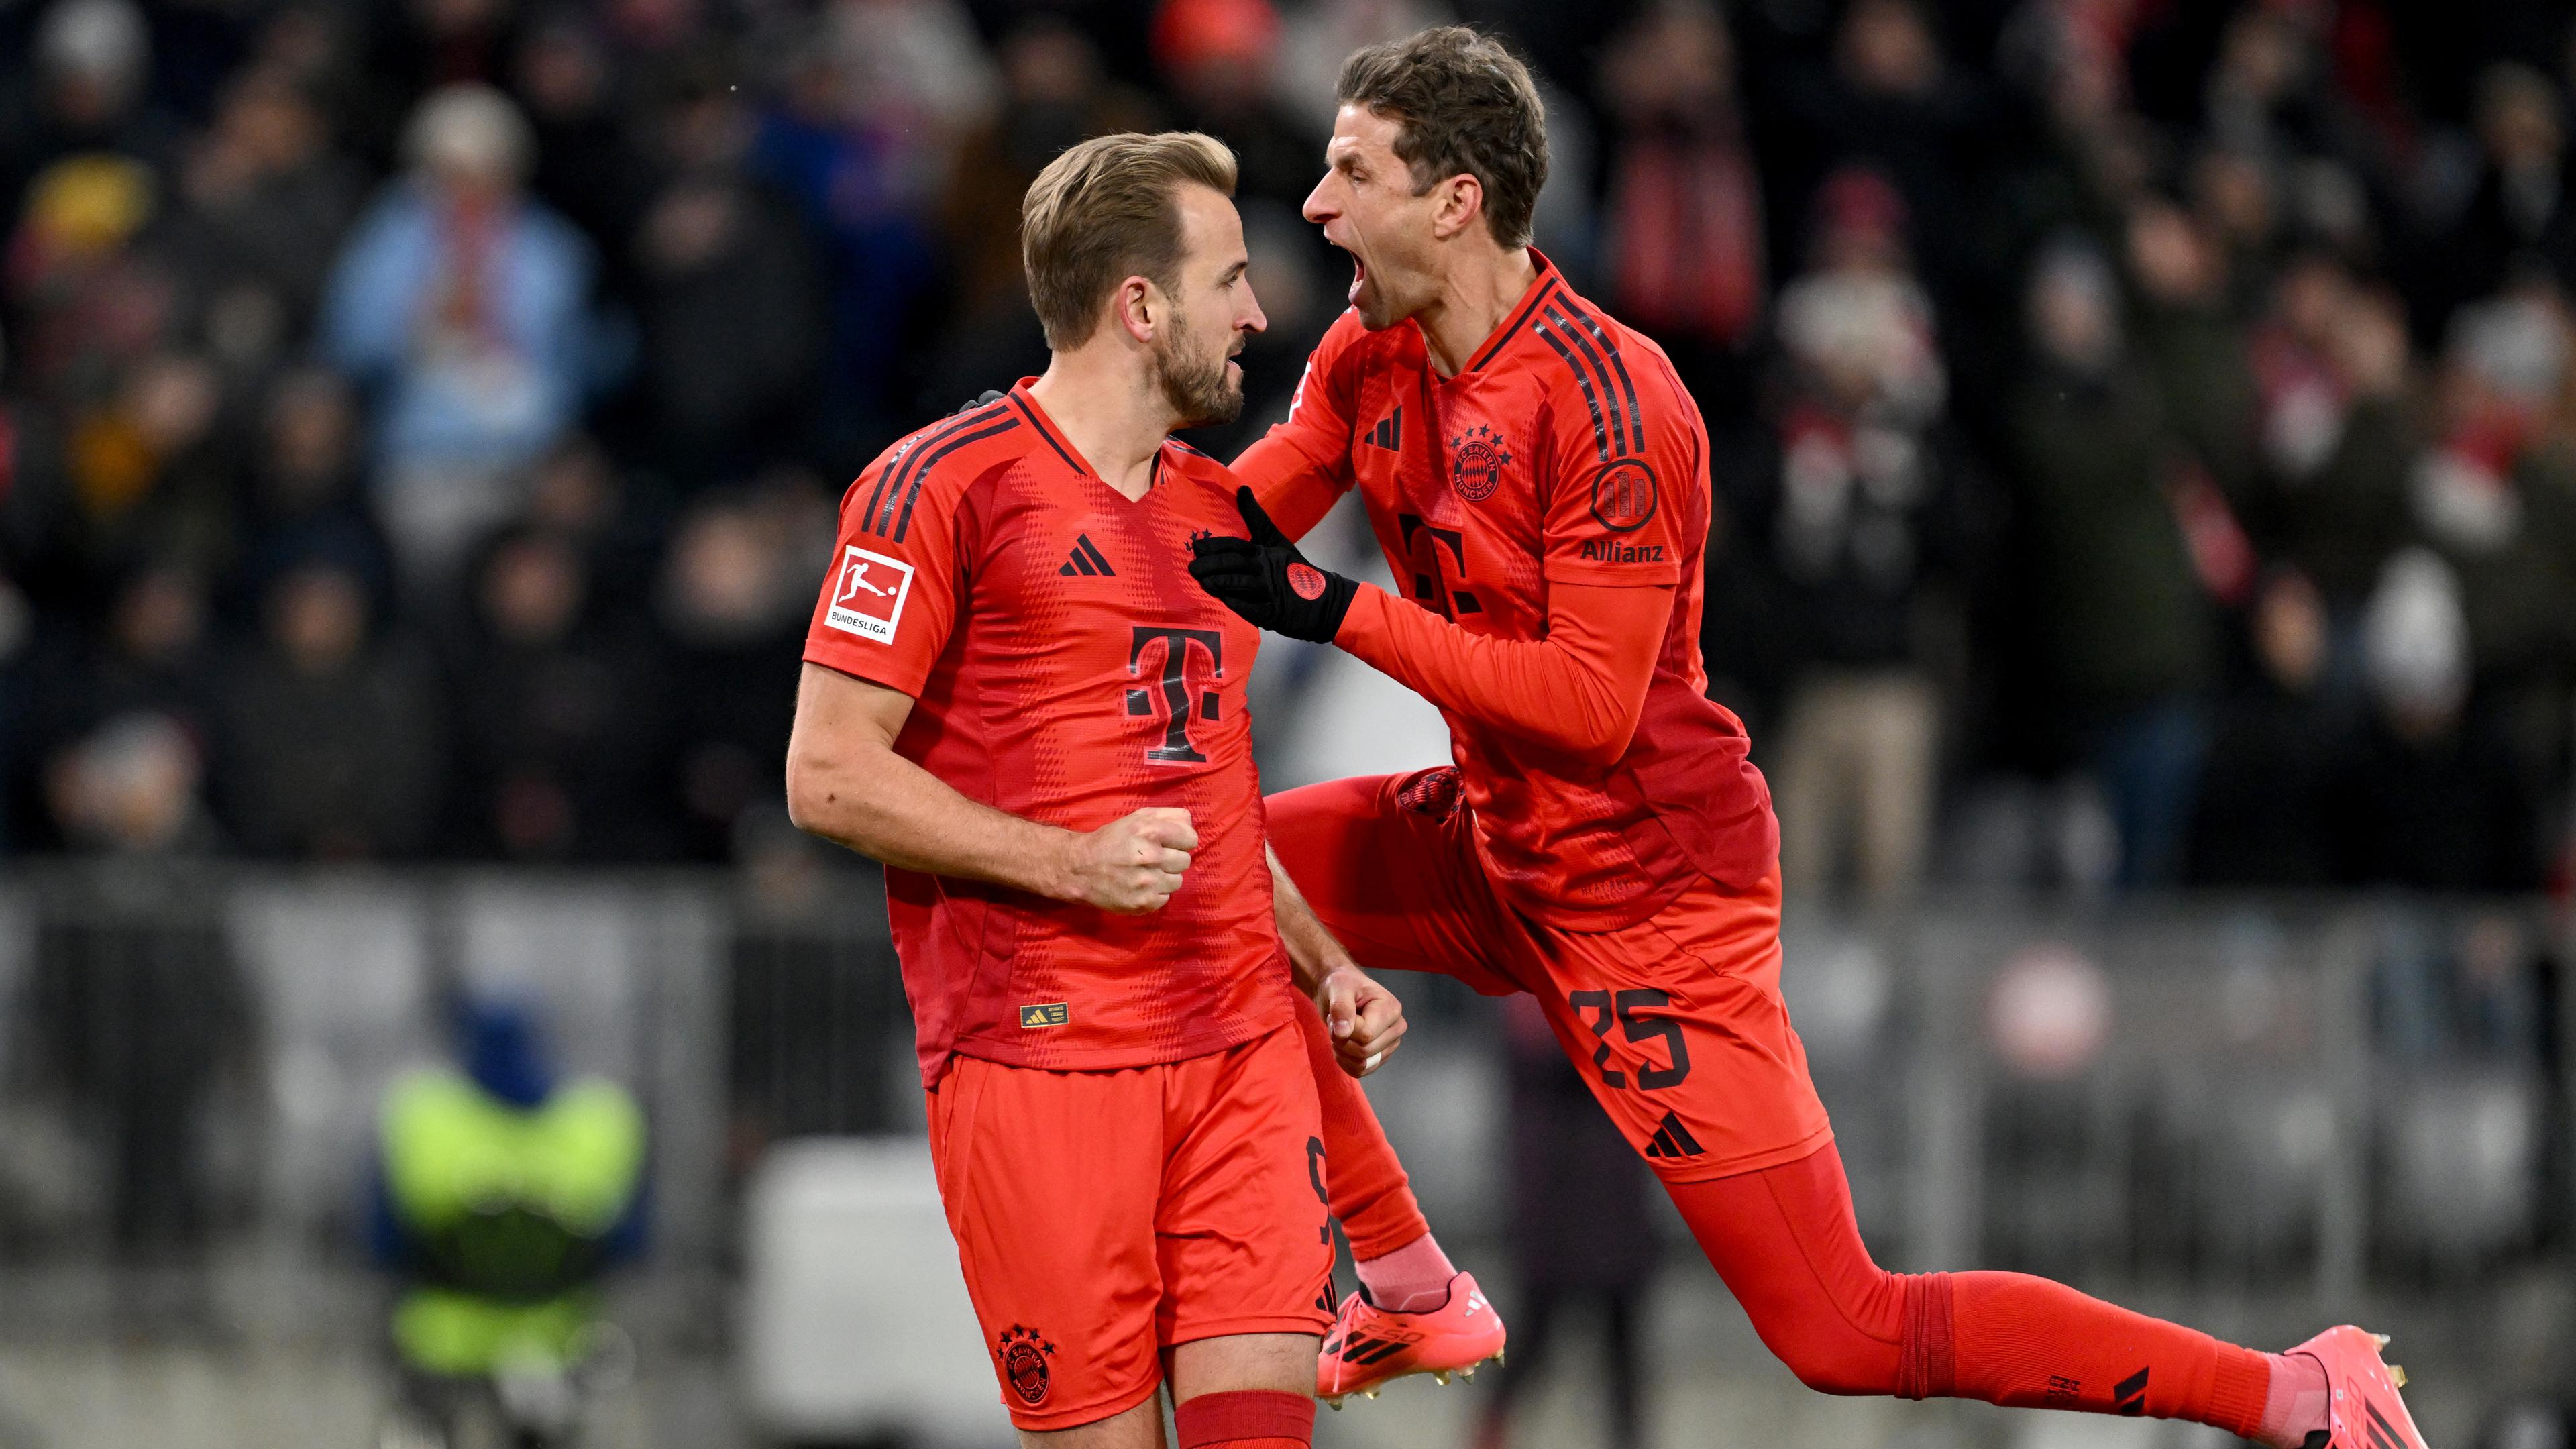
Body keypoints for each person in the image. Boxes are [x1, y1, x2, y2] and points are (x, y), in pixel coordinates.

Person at [1192, 26, 2432, 1449]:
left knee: (1845, 1331)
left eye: (1355, 172)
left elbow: (1591, 705)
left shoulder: (1612, 399)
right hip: (1498, 839)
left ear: (1456, 200)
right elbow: (1234, 540)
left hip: (1653, 894)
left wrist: (1335, 611)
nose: (1318, 206)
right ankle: (1407, 1281)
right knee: (1203, 879)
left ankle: (2295, 1390)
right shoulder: (1368, 351)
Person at [782, 131, 1413, 1449]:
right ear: (1141, 308)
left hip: (1238, 1050)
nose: (1256, 312)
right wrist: (1070, 864)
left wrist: (1320, 966)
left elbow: (1217, 790)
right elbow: (828, 774)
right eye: (1230, 280)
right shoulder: (936, 488)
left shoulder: (1221, 515)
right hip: (1042, 1061)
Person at [371, 998, 646, 1446]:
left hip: (440, 1346)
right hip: (557, 1342)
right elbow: (630, 1245)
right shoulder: (603, 1121)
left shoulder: (420, 1116)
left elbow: (382, 1242)